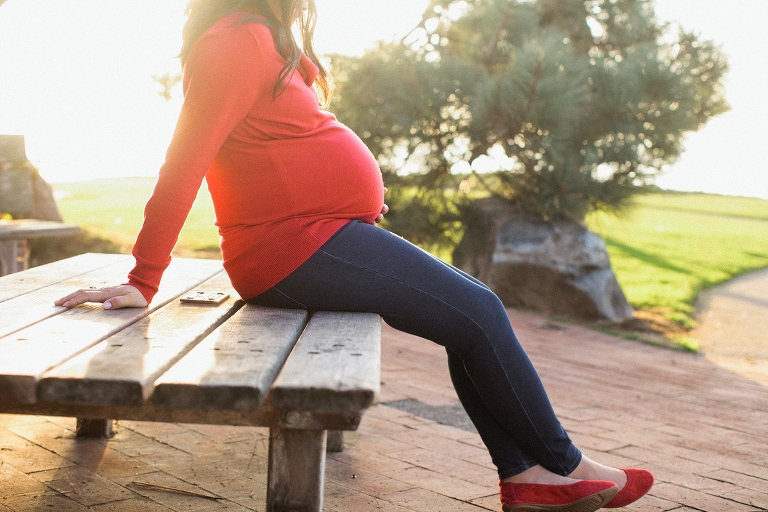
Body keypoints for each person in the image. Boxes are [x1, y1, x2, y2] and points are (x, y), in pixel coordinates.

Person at [55, 1, 654, 510]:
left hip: (317, 236)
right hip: (292, 247)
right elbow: (183, 164)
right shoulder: (232, 44)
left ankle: (527, 477)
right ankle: (564, 467)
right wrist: (144, 276)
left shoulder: (260, 36)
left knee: (466, 320)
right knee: (480, 313)